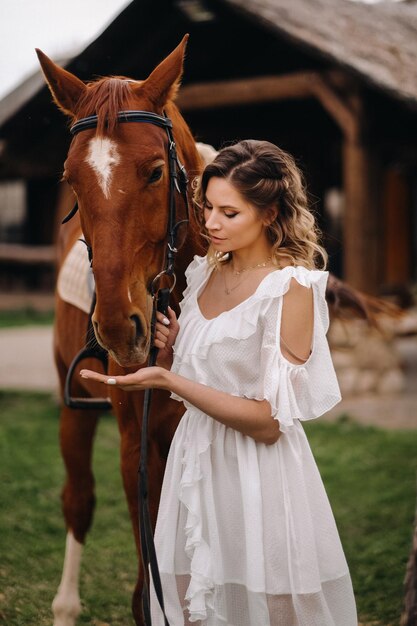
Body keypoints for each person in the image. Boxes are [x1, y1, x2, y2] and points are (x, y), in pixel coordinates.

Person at [81, 140, 357, 625]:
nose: (210, 223)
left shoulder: (292, 287)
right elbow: (201, 375)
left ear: (270, 213)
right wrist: (169, 354)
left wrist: (171, 379)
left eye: (229, 212)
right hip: (196, 467)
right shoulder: (202, 272)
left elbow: (270, 423)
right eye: (207, 207)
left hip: (258, 478)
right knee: (195, 604)